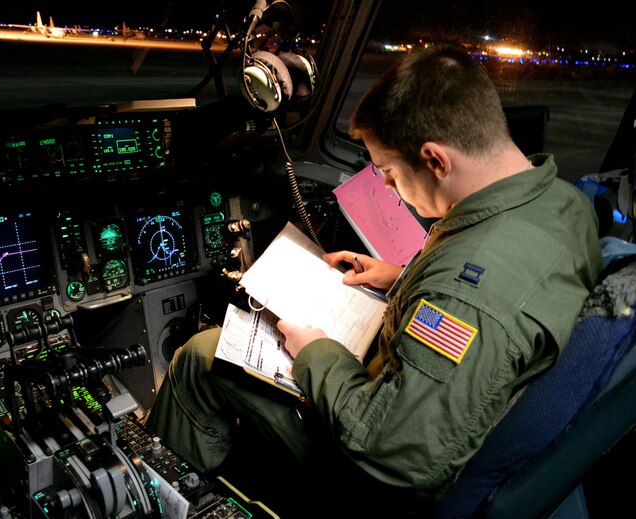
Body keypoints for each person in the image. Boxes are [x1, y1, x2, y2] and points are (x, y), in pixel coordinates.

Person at [145, 45, 603, 513]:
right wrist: (405, 280)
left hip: (379, 481)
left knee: (201, 355)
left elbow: (393, 453)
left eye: (386, 171)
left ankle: (163, 499)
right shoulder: (559, 201)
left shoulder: (463, 297)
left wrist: (316, 354)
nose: (385, 185)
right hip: (450, 410)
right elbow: (495, 285)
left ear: (437, 161)